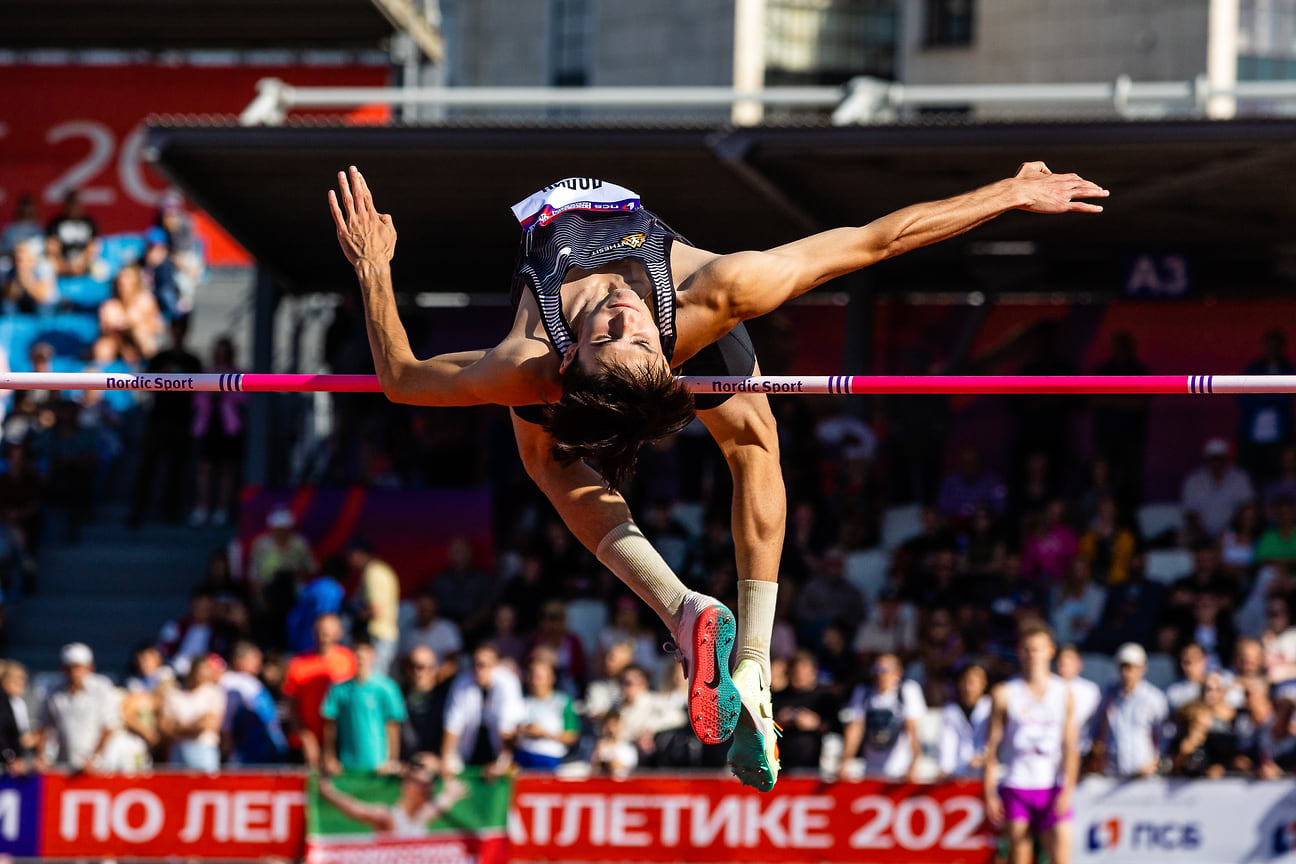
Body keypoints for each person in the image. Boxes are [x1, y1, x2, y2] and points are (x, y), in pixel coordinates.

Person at [331, 161, 1107, 790]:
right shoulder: (593, 345)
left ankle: (718, 638)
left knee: (727, 444)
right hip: (663, 337)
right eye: (616, 331)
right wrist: (373, 270)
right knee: (594, 455)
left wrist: (1009, 193)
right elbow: (401, 379)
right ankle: (732, 649)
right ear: (574, 360)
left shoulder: (593, 345)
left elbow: (874, 243)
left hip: (679, 338)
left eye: (629, 333)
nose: (626, 315)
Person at [983, 622, 1078, 864]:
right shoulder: (1005, 692)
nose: (1032, 655)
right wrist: (989, 791)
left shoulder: (1063, 692)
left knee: (1060, 854)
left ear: (1050, 651)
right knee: (1020, 856)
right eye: (1027, 649)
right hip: (1018, 783)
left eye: (1038, 649)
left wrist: (1068, 789)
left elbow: (1070, 745)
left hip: (1051, 784)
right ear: (1019, 652)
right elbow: (992, 747)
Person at [126, 316, 202, 528]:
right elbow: (144, 383)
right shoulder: (160, 357)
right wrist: (163, 373)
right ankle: (138, 510)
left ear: (186, 332)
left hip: (181, 421)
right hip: (158, 419)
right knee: (147, 466)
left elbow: (201, 391)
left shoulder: (192, 361)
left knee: (177, 469)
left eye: (181, 329)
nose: (177, 333)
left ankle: (171, 511)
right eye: (175, 328)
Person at [284, 613, 357, 769]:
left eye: (328, 632)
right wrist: (304, 735)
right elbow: (291, 705)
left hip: (340, 741)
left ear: (339, 633)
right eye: (320, 631)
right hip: (306, 741)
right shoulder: (298, 663)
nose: (323, 636)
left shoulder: (348, 660)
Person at [322, 641, 406, 775]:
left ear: (374, 655)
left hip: (378, 766)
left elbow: (393, 726)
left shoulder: (387, 688)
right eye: (357, 651)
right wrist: (330, 758)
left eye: (365, 651)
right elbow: (330, 726)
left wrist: (391, 761)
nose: (360, 655)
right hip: (347, 766)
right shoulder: (337, 689)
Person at [441, 644, 524, 778]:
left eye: (483, 665)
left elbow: (507, 728)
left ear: (495, 665)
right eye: (475, 664)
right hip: (470, 748)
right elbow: (453, 723)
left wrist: (502, 763)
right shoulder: (462, 682)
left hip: (499, 747)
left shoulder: (508, 683)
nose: (477, 669)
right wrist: (446, 759)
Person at [35, 643, 121, 771]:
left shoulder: (102, 688)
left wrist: (95, 758)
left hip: (100, 768)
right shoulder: (53, 693)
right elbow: (44, 727)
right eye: (69, 668)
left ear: (89, 667)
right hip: (66, 765)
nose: (73, 673)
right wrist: (41, 756)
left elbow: (110, 727)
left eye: (78, 667)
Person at [841, 653, 927, 781]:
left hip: (900, 770)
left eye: (884, 671)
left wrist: (914, 763)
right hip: (871, 769)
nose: (880, 675)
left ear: (898, 672)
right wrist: (845, 761)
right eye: (876, 670)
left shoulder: (908, 691)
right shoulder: (863, 692)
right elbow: (855, 729)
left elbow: (913, 729)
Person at [190, 336, 246, 527]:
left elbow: (243, 398)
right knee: (204, 468)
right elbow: (196, 399)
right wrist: (211, 393)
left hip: (228, 427)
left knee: (227, 469)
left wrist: (224, 393)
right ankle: (202, 507)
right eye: (218, 352)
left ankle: (222, 510)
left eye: (225, 353)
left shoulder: (237, 373)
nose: (221, 356)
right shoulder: (206, 373)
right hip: (208, 425)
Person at [1090, 642, 1169, 777]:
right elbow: (1095, 729)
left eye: (1131, 667)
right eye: (1123, 667)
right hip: (1112, 773)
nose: (1126, 672)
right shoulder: (1107, 694)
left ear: (1142, 668)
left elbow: (1164, 736)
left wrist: (1156, 762)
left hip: (1144, 774)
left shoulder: (1154, 698)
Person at [318, 767, 466, 837]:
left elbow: (446, 798)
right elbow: (355, 808)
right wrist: (328, 792)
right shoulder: (388, 816)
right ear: (408, 786)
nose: (428, 789)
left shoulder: (424, 815)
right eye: (423, 785)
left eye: (429, 785)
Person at [220, 641, 288, 765]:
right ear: (239, 660)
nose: (258, 663)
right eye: (254, 658)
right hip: (249, 747)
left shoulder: (250, 681)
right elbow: (227, 718)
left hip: (267, 743)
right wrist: (227, 742)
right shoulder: (230, 682)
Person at [159, 654, 226, 772]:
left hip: (205, 751)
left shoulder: (214, 693)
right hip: (178, 751)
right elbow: (165, 727)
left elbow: (208, 724)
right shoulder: (173, 694)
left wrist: (178, 728)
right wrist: (195, 725)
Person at [1181, 438, 1255, 544]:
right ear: (1207, 459)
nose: (1216, 463)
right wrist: (1203, 535)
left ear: (1226, 459)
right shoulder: (1194, 480)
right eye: (1213, 459)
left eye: (1219, 458)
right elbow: (1189, 512)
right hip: (1200, 535)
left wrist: (1229, 531)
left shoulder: (1240, 478)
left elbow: (1246, 507)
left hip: (1234, 532)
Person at [514, 654, 579, 770]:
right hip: (522, 757)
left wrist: (543, 733)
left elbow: (571, 736)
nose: (535, 682)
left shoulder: (563, 701)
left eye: (539, 677)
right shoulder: (522, 702)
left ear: (551, 678)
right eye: (532, 676)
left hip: (551, 759)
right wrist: (524, 730)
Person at [347, 539, 401, 676]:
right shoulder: (378, 570)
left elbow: (375, 609)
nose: (349, 560)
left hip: (378, 637)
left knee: (374, 680)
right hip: (382, 636)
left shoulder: (373, 572)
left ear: (360, 554)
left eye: (351, 555)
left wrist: (354, 616)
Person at [938, 662, 991, 778]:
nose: (968, 687)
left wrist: (984, 757)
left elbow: (995, 739)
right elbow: (947, 741)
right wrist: (945, 767)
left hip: (986, 772)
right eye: (965, 681)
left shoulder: (991, 708)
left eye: (973, 682)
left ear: (983, 684)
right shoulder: (950, 710)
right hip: (958, 771)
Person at [1056, 646, 1102, 754]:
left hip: (1082, 750)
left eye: (1070, 659)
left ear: (1079, 664)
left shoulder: (1090, 690)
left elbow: (1097, 721)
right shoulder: (1048, 688)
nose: (1065, 663)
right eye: (1062, 660)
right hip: (1054, 752)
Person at [45, 188, 98, 277]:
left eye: (76, 202)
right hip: (61, 262)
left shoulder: (89, 222)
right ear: (65, 204)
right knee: (44, 267)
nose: (73, 206)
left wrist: (82, 262)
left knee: (101, 270)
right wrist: (62, 264)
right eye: (70, 202)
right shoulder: (56, 222)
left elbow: (93, 247)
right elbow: (51, 247)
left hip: (84, 262)